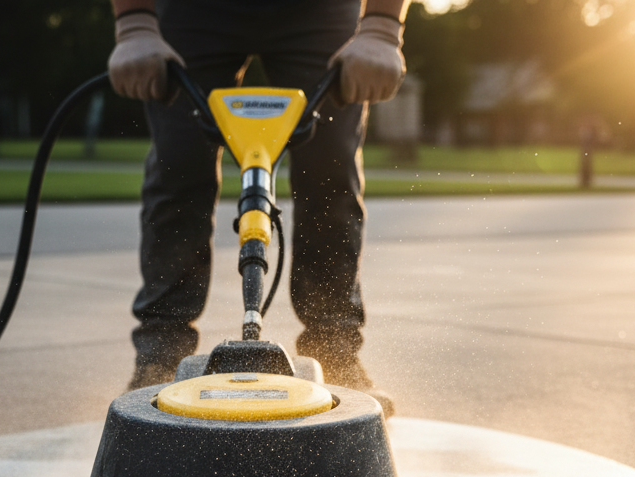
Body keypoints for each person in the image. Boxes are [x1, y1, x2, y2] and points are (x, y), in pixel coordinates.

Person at [108, 0, 409, 411]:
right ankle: (159, 361)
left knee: (329, 171)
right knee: (178, 167)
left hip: (320, 12)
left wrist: (381, 26)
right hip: (191, 12)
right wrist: (134, 22)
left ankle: (336, 357)